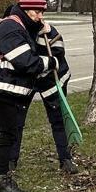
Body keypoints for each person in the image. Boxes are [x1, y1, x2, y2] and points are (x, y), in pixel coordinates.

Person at [0, 0, 55, 192]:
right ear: (26, 9)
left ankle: (3, 175)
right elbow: (26, 62)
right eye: (38, 12)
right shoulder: (10, 28)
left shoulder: (22, 25)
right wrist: (50, 61)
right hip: (4, 90)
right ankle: (1, 178)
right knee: (8, 134)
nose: (40, 16)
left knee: (12, 132)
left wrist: (41, 31)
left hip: (13, 90)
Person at [34, 16, 79, 175]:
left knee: (58, 119)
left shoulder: (46, 29)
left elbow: (59, 49)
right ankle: (10, 162)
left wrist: (48, 33)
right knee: (15, 124)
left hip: (54, 80)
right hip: (28, 80)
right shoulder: (15, 29)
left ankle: (65, 159)